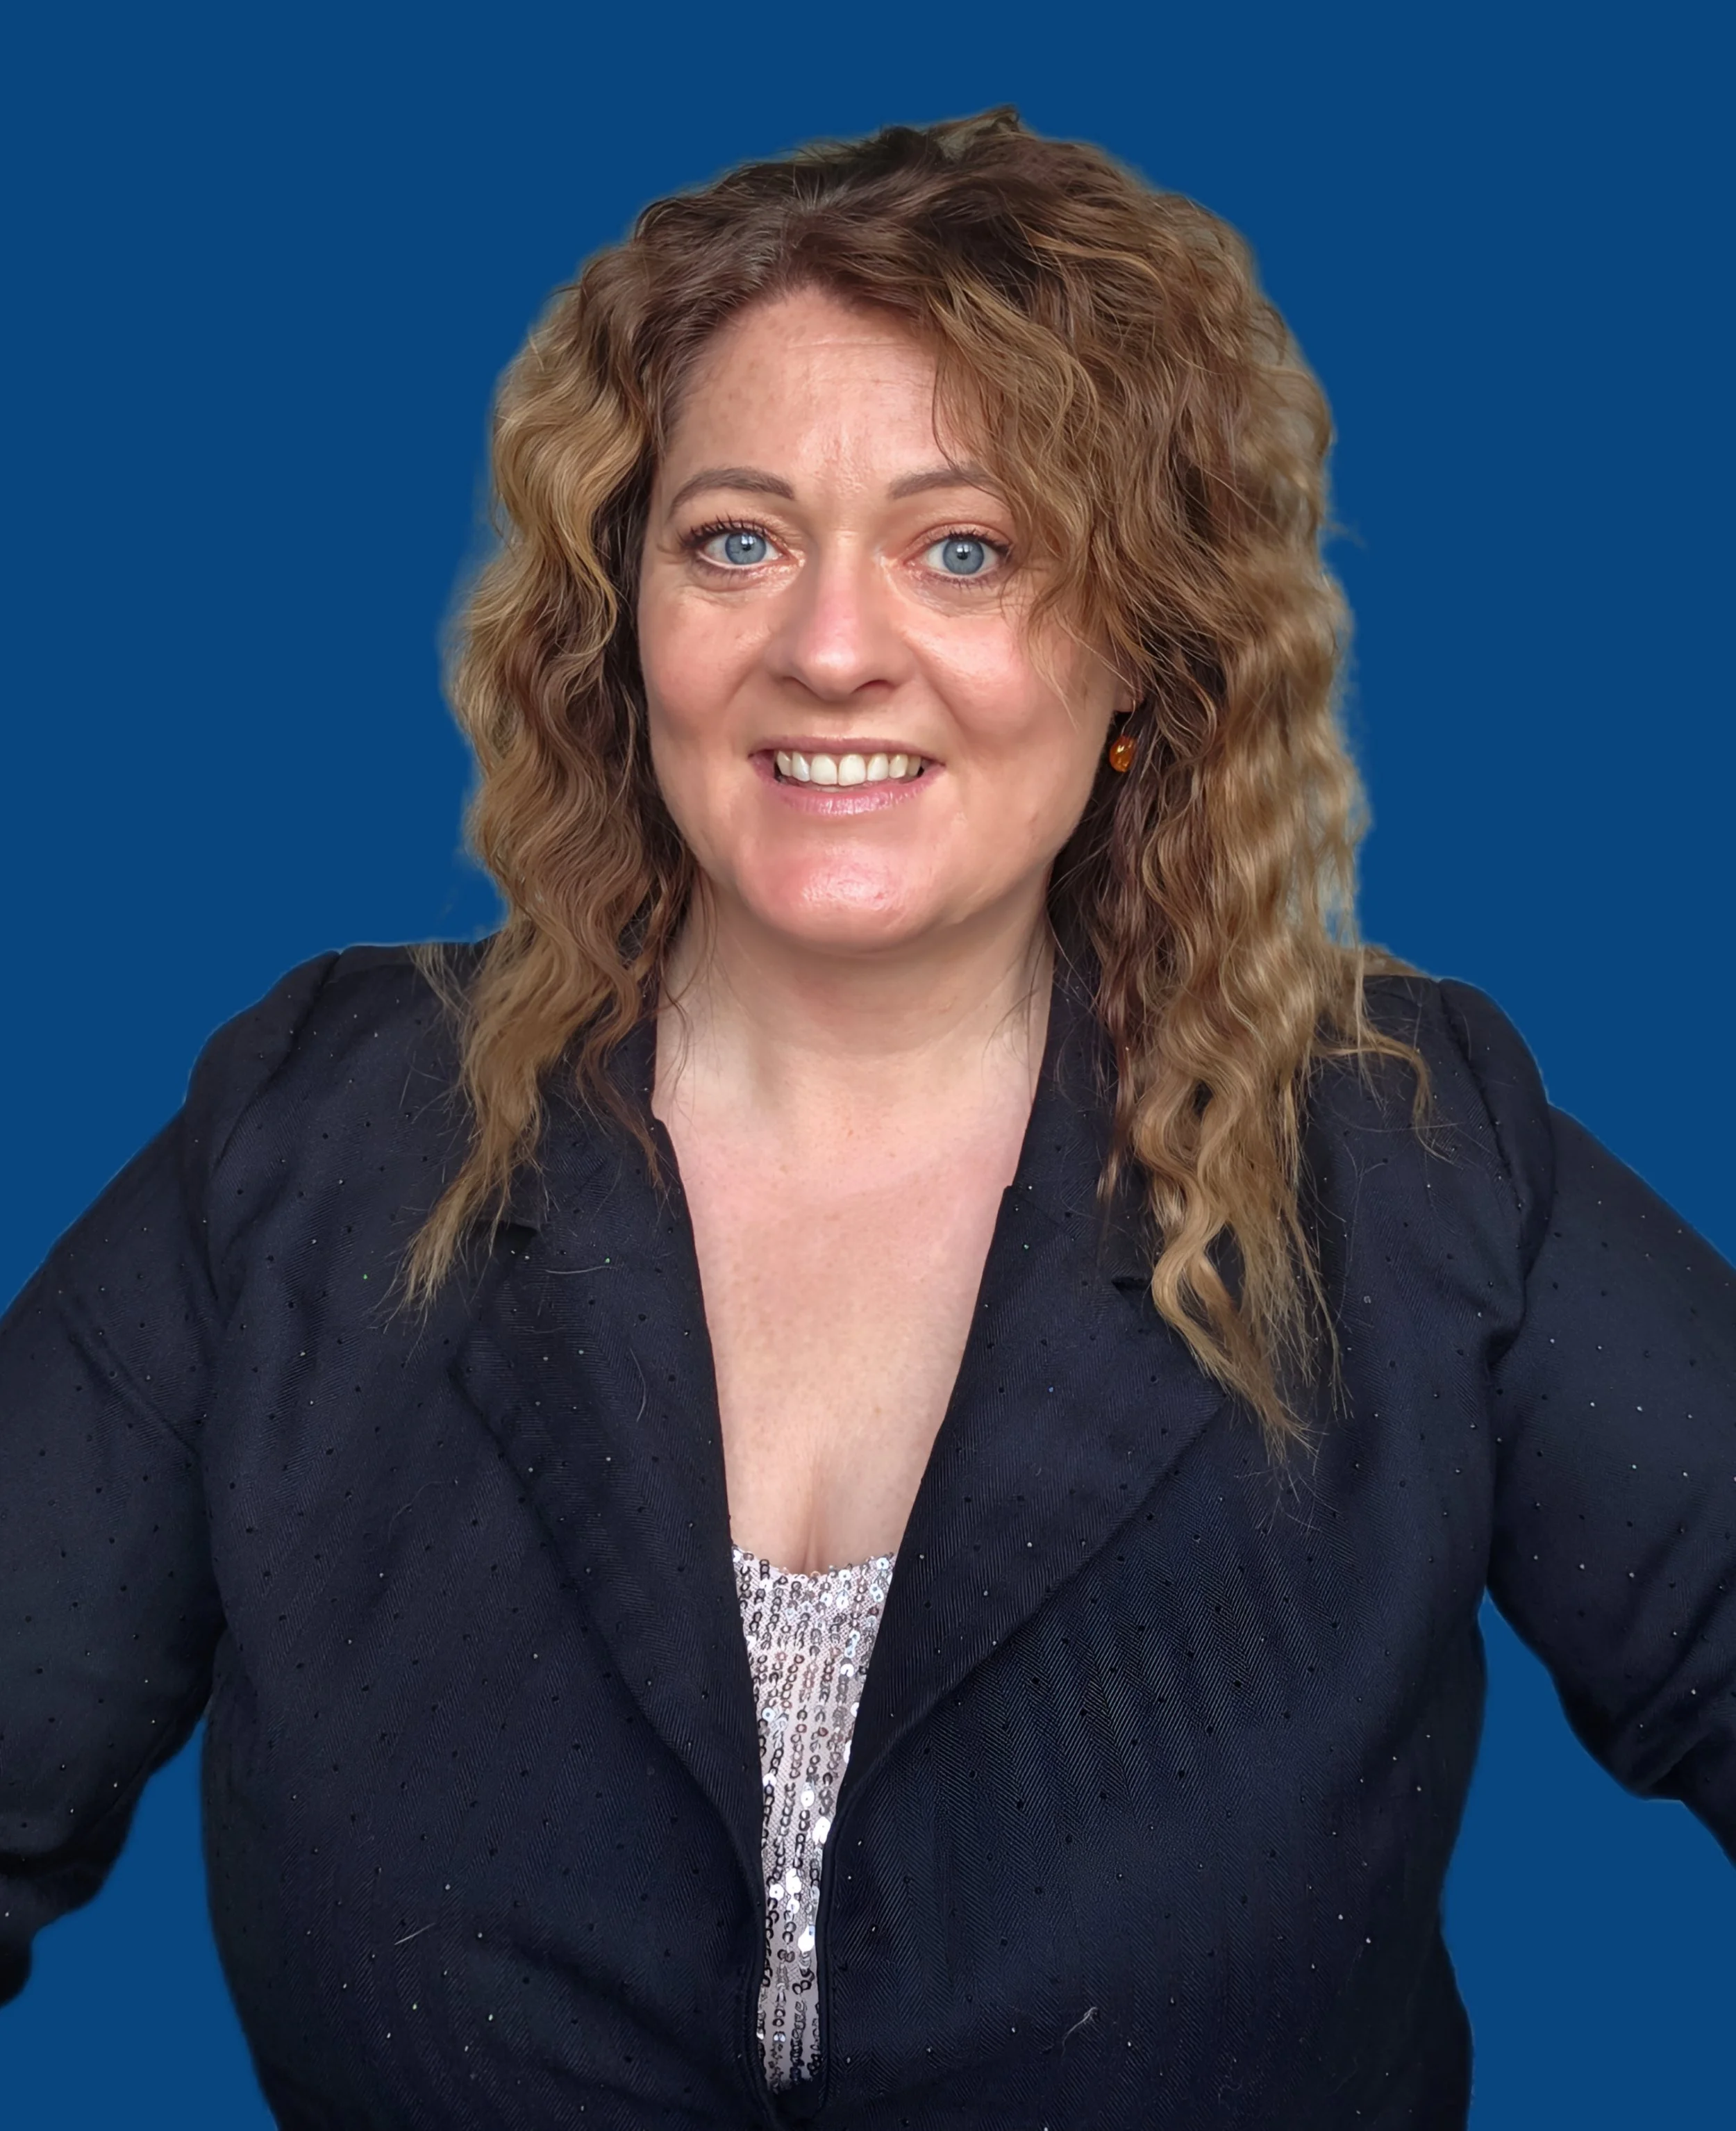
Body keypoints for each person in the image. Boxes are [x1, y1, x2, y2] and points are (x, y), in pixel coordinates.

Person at [1, 105, 1731, 2130]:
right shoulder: (309, 1131)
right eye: (733, 537)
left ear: (1140, 654)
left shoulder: (1419, 1154)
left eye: (965, 547)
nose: (827, 649)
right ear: (615, 617)